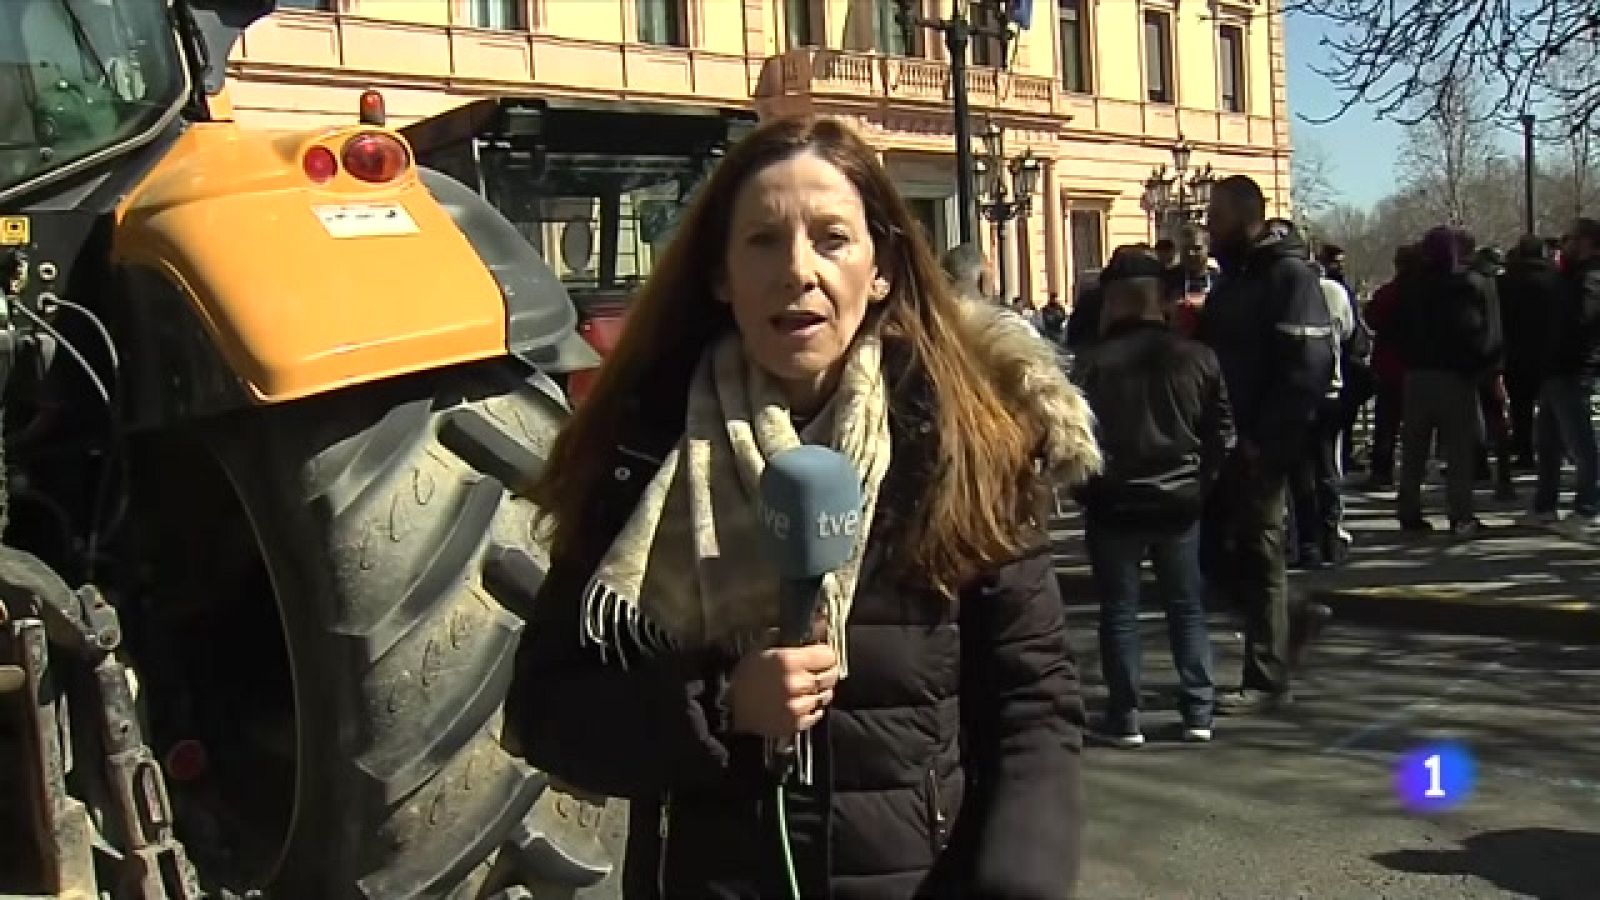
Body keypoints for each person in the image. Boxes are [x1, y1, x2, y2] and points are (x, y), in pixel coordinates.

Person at [506, 116, 1100, 899]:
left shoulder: (968, 447)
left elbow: (1034, 707)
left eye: (831, 240)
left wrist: (1013, 886)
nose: (797, 270)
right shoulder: (641, 454)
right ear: (720, 274)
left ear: (880, 268)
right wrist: (720, 709)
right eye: (762, 241)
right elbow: (548, 712)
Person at [1072, 252, 1232, 747]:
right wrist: (1201, 483)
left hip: (1114, 502)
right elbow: (1222, 432)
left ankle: (1125, 714)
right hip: (1178, 500)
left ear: (1114, 301)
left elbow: (1070, 438)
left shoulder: (1092, 364)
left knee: (1120, 610)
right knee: (1186, 607)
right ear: (1160, 300)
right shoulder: (1195, 357)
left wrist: (1086, 488)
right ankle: (1198, 710)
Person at [1197, 179, 1336, 714]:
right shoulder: (1235, 280)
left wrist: (1268, 441)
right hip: (1224, 442)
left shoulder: (1288, 276)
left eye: (1216, 215)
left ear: (1246, 217)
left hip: (1261, 443)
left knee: (1260, 554)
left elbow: (1307, 368)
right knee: (1213, 556)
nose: (1208, 225)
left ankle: (1267, 676)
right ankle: (1291, 621)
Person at [1391, 226, 1501, 536]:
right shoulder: (1473, 285)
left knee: (1414, 449)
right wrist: (1483, 367)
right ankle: (1460, 513)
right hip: (1457, 376)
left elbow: (1394, 328)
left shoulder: (1411, 286)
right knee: (1459, 451)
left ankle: (1409, 510)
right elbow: (1489, 333)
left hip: (1416, 376)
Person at [1527, 216, 1600, 538]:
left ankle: (1588, 508)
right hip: (1557, 368)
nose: (1562, 246)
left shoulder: (1591, 278)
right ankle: (1545, 506)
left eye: (1568, 239)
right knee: (1549, 442)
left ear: (1584, 242)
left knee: (1580, 442)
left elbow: (1582, 320)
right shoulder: (1572, 277)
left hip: (1572, 369)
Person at [1290, 253, 1355, 569]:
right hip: (1331, 387)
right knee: (1329, 467)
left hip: (1297, 393)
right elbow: (1348, 332)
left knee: (1301, 473)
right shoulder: (1335, 292)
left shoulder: (1289, 295)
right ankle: (1331, 533)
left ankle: (1307, 542)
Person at [1498, 234, 1562, 470]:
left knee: (1520, 407)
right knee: (1553, 408)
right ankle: (1556, 452)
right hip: (1550, 352)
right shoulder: (1557, 280)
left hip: (1516, 352)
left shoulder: (1505, 283)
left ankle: (1524, 451)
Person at [1361, 244, 1420, 488]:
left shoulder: (1387, 293)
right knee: (1418, 428)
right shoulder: (1426, 293)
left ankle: (1381, 471)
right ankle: (1414, 474)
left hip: (1389, 366)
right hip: (1418, 367)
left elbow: (1371, 320)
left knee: (1386, 425)